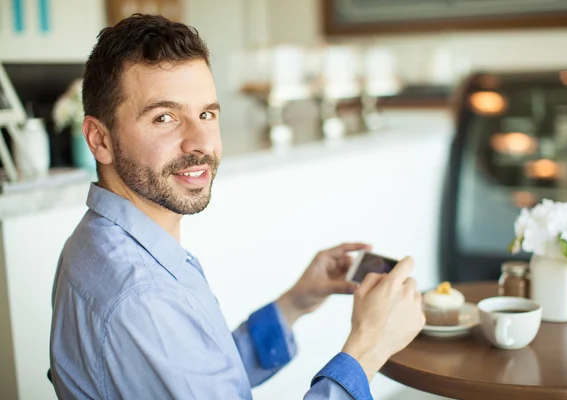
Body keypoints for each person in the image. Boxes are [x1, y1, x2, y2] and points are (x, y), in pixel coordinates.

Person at [49, 14, 425, 400]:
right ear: (100, 140)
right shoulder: (142, 295)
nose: (200, 142)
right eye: (164, 117)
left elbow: (202, 380)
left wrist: (295, 302)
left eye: (207, 114)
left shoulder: (97, 240)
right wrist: (369, 347)